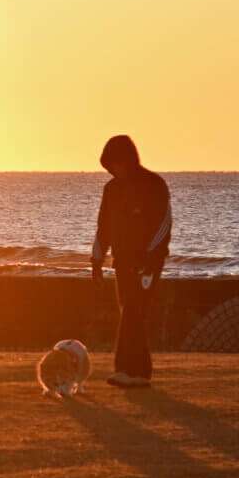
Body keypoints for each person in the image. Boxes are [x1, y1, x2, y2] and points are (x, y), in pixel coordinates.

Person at [89, 134, 172, 388]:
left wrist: (150, 258)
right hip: (122, 262)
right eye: (110, 166)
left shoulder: (154, 184)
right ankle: (140, 372)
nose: (115, 170)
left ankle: (126, 369)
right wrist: (96, 260)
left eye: (118, 163)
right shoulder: (111, 189)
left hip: (148, 263)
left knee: (133, 312)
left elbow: (164, 224)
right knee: (129, 311)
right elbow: (103, 226)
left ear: (129, 159)